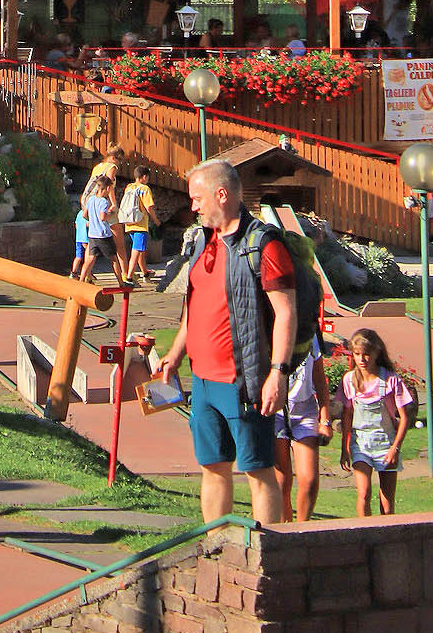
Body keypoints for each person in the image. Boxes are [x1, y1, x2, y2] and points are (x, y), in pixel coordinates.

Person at [156, 160, 297, 527]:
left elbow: (286, 313)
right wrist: (175, 353)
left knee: (258, 469)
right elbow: (195, 306)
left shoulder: (262, 245)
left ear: (222, 194)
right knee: (213, 467)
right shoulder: (203, 241)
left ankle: (267, 549)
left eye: (198, 198)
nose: (193, 206)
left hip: (243, 382)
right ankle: (213, 545)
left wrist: (278, 373)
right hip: (203, 383)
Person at [339, 326, 415, 517]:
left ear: (376, 352)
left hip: (386, 442)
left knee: (387, 503)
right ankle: (363, 533)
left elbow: (404, 418)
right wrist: (344, 448)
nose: (362, 359)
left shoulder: (390, 380)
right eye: (357, 354)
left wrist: (395, 448)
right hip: (360, 443)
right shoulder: (349, 380)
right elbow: (346, 416)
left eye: (366, 354)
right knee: (363, 493)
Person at [273, 331, 332, 521]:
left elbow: (320, 380)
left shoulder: (311, 334)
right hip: (276, 411)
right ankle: (285, 530)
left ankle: (302, 527)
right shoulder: (269, 328)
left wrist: (325, 419)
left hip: (304, 408)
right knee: (281, 481)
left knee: (310, 480)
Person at [119, 162, 157, 285]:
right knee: (136, 251)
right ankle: (129, 277)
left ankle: (145, 273)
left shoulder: (129, 187)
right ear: (144, 177)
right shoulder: (145, 189)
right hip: (140, 224)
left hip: (129, 223)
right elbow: (149, 207)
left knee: (139, 250)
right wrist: (156, 220)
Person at [80, 170, 121, 282]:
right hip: (103, 235)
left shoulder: (91, 199)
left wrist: (92, 219)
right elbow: (103, 217)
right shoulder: (104, 202)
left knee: (90, 259)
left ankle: (81, 281)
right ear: (107, 188)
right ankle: (121, 283)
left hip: (92, 234)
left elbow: (84, 215)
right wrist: (111, 214)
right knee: (114, 259)